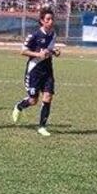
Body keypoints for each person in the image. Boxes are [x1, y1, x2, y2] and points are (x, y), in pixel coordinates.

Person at [11, 8, 61, 136]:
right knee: (33, 101)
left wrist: (54, 51)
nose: (50, 21)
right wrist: (38, 54)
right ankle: (19, 106)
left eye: (52, 19)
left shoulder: (53, 35)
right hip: (34, 71)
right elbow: (23, 51)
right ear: (42, 21)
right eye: (48, 19)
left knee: (48, 97)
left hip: (47, 71)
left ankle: (42, 126)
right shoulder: (34, 35)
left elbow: (49, 49)